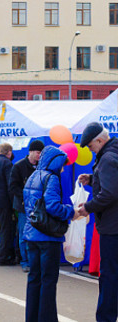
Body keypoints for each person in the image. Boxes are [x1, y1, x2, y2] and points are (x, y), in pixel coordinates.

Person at [23, 146, 78, 322]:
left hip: (32, 234)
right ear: (55, 162)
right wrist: (70, 212)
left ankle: (32, 318)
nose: (63, 168)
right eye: (62, 164)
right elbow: (53, 206)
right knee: (48, 281)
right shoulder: (51, 178)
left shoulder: (33, 176)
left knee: (34, 279)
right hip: (47, 236)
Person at [77, 123, 118, 322]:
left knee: (109, 276)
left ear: (100, 141)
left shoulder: (108, 158)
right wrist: (93, 179)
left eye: (91, 147)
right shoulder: (113, 153)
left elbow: (110, 193)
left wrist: (88, 207)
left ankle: (105, 319)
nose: (91, 151)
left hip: (112, 226)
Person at [9, 139, 44, 273]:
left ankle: (36, 261)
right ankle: (25, 261)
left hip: (39, 207)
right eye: (37, 152)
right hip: (23, 207)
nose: (39, 155)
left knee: (37, 234)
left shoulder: (41, 166)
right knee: (24, 234)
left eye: (41, 153)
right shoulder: (18, 166)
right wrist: (26, 197)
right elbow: (13, 187)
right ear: (30, 151)